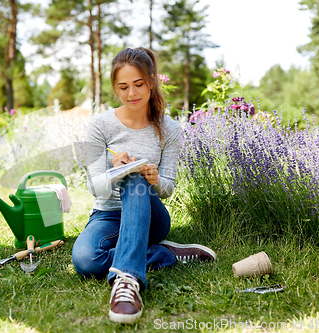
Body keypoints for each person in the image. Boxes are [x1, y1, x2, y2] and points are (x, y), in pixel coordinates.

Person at [71, 47, 216, 324]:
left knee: (135, 176)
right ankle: (163, 253)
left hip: (151, 216)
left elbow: (168, 188)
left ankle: (127, 282)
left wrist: (152, 177)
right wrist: (116, 170)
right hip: (107, 214)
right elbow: (96, 188)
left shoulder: (170, 129)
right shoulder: (99, 125)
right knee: (86, 260)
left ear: (151, 81)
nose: (131, 94)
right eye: (123, 87)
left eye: (138, 84)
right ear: (115, 88)